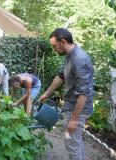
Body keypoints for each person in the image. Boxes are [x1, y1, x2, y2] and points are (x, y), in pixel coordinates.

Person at [39, 28, 94, 160]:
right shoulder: (70, 56)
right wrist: (46, 93)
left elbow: (83, 93)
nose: (53, 49)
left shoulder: (79, 59)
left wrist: (74, 119)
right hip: (71, 106)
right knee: (74, 141)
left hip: (78, 109)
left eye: (54, 46)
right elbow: (61, 76)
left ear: (63, 42)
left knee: (71, 142)